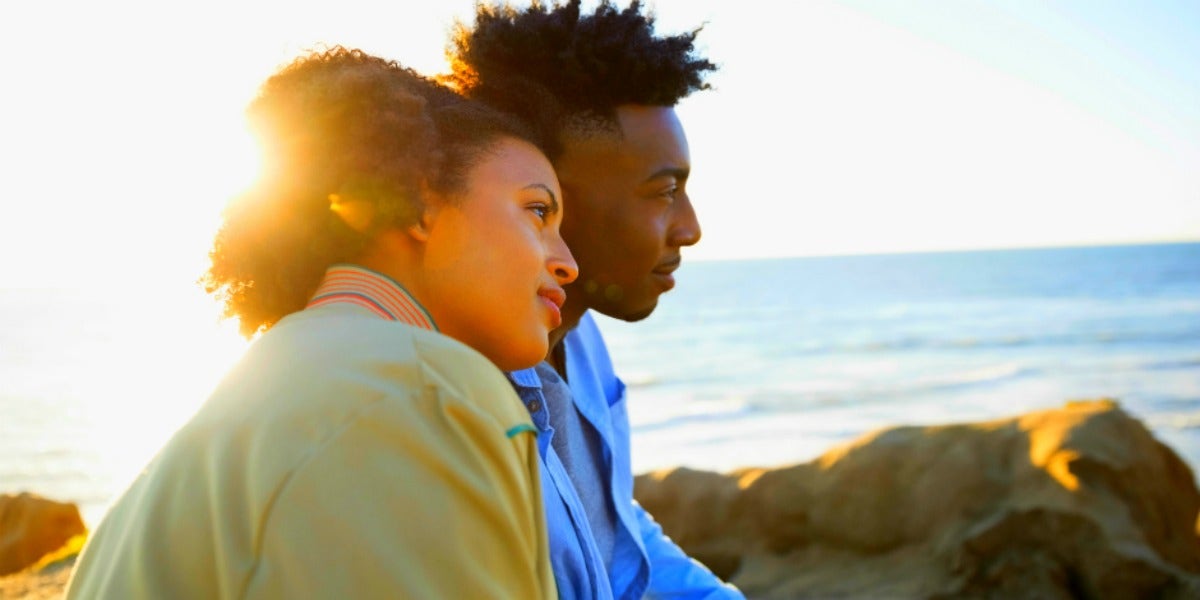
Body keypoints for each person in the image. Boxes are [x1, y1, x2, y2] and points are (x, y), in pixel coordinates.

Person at [65, 47, 574, 598]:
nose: (568, 262)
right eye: (539, 211)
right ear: (420, 205)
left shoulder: (282, 379)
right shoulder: (421, 390)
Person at [445, 1, 744, 598]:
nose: (690, 228)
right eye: (663, 191)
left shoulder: (579, 338)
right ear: (551, 197)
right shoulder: (455, 395)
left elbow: (616, 536)